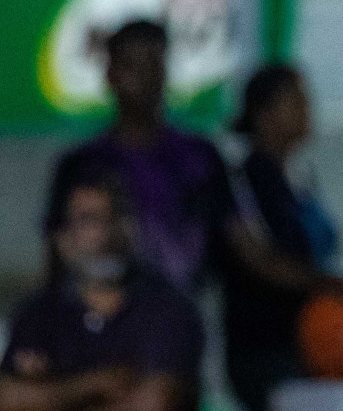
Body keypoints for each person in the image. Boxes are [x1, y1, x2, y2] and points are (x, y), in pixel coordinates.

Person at [46, 21, 233, 293]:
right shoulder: (83, 164)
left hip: (187, 315)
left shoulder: (201, 156)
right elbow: (58, 252)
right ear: (110, 75)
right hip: (107, 317)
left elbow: (234, 238)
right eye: (132, 66)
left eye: (154, 64)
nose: (146, 78)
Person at [1, 171, 203, 411]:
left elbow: (158, 402)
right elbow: (8, 398)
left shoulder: (169, 308)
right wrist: (93, 384)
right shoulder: (37, 313)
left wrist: (48, 396)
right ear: (63, 238)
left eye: (117, 216)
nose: (105, 232)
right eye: (89, 219)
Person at [223, 64, 343, 411]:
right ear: (264, 114)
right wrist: (330, 285)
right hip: (267, 349)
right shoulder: (242, 182)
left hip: (317, 342)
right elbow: (260, 260)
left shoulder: (300, 177)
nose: (308, 109)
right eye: (296, 101)